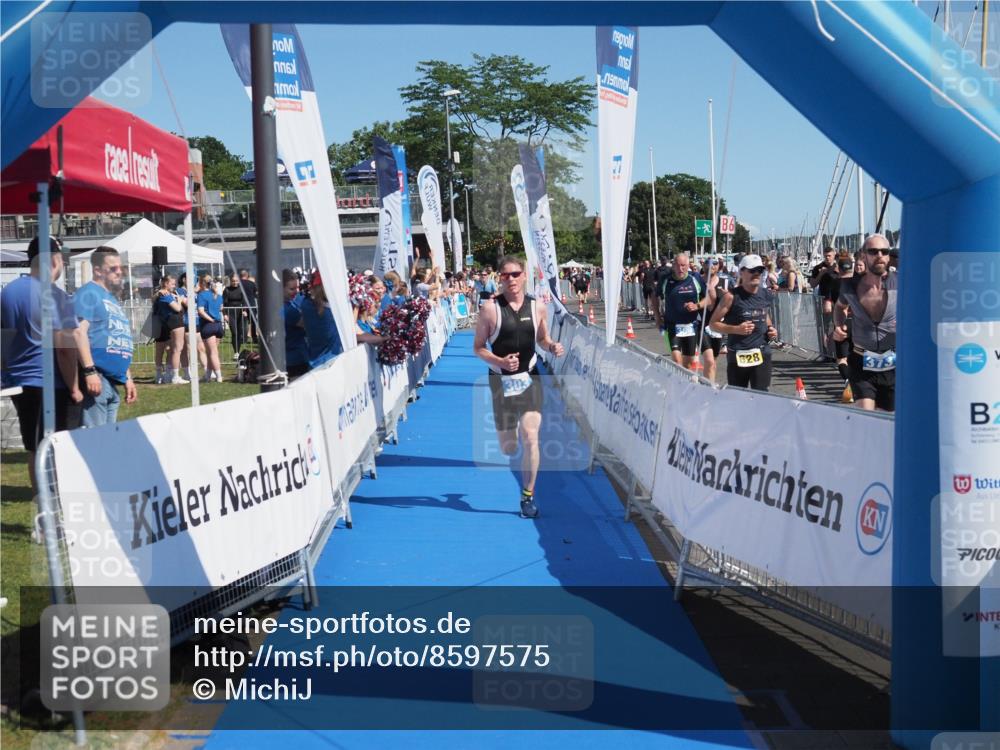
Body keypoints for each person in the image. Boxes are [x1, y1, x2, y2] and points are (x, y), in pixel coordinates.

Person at [473, 256, 564, 519]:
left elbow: (543, 338)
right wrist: (500, 361)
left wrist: (551, 346)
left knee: (531, 436)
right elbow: (478, 348)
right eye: (505, 275)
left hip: (529, 377)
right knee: (509, 447)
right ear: (499, 278)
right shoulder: (490, 309)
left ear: (524, 276)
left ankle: (528, 496)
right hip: (500, 381)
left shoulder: (538, 307)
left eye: (515, 274)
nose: (511, 279)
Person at [1, 236, 82, 489]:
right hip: (53, 383)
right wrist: (75, 387)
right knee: (62, 446)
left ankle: (40, 500)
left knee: (34, 447)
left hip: (19, 382)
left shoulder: (8, 292)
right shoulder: (55, 295)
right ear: (53, 260)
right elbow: (64, 349)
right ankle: (60, 499)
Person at [833, 234, 897, 412]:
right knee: (866, 415)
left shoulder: (901, 283)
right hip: (862, 361)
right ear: (863, 255)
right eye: (873, 251)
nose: (879, 255)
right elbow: (839, 307)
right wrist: (838, 326)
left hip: (894, 362)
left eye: (884, 251)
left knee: (889, 419)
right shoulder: (849, 286)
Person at [74, 247, 137, 426]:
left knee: (108, 439)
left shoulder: (111, 299)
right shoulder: (88, 293)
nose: (119, 272)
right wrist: (89, 371)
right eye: (113, 268)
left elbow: (117, 338)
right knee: (94, 438)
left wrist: (128, 378)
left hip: (112, 382)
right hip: (96, 378)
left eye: (120, 268)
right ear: (98, 271)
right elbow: (78, 332)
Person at [709, 254, 778, 391]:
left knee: (762, 396)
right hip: (738, 354)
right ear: (741, 272)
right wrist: (737, 329)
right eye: (752, 270)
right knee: (738, 397)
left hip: (761, 352)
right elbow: (713, 324)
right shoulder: (731, 297)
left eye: (760, 270)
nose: (756, 274)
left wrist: (771, 329)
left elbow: (764, 315)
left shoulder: (766, 294)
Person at [659, 253, 711, 371]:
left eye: (683, 265)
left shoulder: (695, 278)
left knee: (688, 364)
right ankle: (677, 380)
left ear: (688, 266)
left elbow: (708, 299)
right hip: (673, 326)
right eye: (677, 265)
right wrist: (657, 317)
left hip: (691, 326)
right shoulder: (665, 279)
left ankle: (685, 382)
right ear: (673, 266)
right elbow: (654, 295)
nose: (680, 268)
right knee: (677, 361)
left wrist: (697, 305)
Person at [300, 270, 344, 369]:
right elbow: (349, 330)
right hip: (331, 363)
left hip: (314, 363)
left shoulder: (305, 305)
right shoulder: (333, 314)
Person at [153, 274, 187, 384]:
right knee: (173, 349)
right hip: (167, 323)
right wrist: (179, 300)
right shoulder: (164, 294)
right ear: (166, 283)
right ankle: (171, 375)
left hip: (164, 323)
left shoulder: (166, 293)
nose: (174, 286)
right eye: (172, 284)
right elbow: (177, 308)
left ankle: (166, 374)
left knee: (170, 349)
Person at [195, 272, 225, 382]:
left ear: (202, 283)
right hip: (218, 325)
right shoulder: (218, 295)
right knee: (211, 352)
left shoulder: (202, 295)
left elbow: (201, 311)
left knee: (212, 353)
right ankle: (208, 375)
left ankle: (219, 377)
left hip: (208, 325)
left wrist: (210, 319)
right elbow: (221, 308)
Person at [281, 269, 310, 381]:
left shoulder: (291, 303)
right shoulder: (287, 309)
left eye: (298, 287)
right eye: (292, 289)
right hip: (295, 359)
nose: (296, 291)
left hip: (295, 356)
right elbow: (308, 325)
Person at [223, 273, 247, 358]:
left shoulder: (241, 289)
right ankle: (236, 352)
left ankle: (238, 351)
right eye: (233, 281)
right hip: (230, 312)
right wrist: (225, 314)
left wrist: (244, 311)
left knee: (240, 332)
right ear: (230, 281)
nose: (235, 282)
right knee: (234, 332)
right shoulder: (227, 290)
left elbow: (244, 301)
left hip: (240, 312)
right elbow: (224, 303)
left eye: (236, 281)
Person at [238, 268, 258, 344]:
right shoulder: (252, 283)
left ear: (240, 276)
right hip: (251, 305)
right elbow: (256, 294)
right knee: (253, 322)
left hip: (241, 305)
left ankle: (243, 338)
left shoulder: (238, 284)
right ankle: (254, 337)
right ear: (247, 276)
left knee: (242, 322)